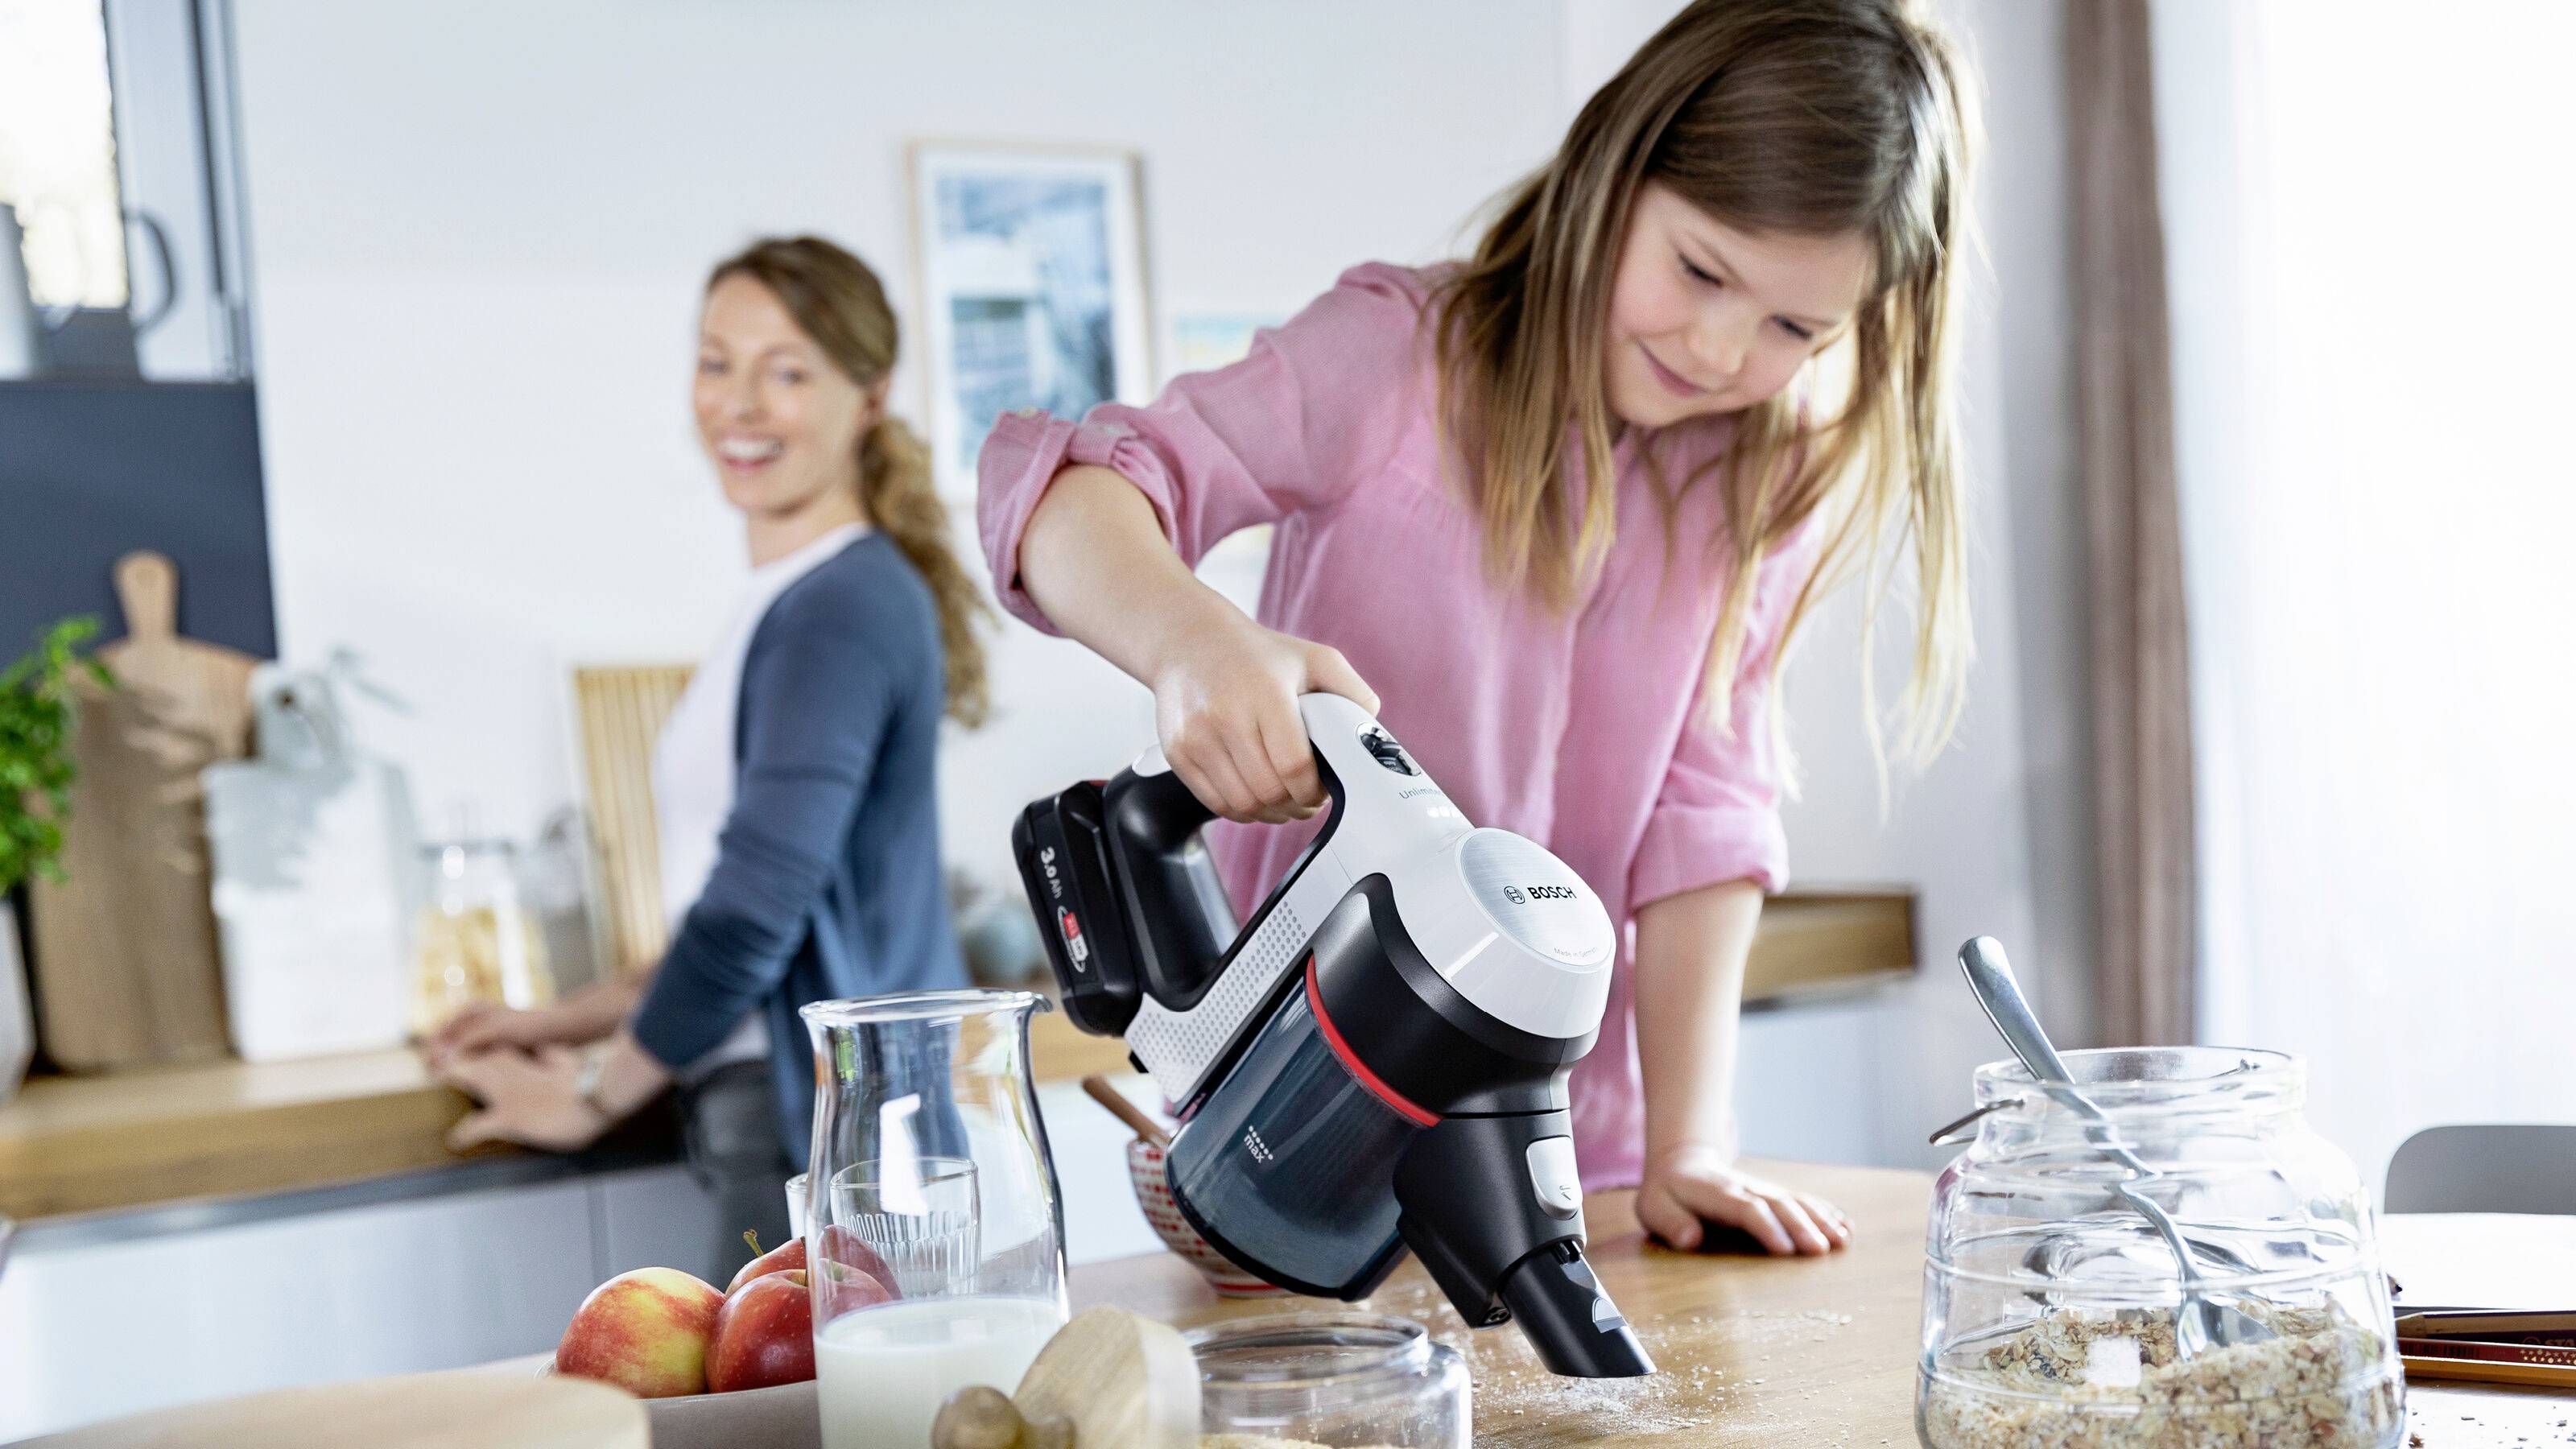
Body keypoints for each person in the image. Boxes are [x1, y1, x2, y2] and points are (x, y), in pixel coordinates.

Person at [979, 0, 1974, 1257]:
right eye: (1702, 270)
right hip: (1292, 1127)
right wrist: (1192, 642)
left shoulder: (1761, 478)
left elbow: (1705, 820)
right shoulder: (1394, 357)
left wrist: (1689, 1149)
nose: (1723, 350)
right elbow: (1065, 497)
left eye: (1797, 329)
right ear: (1613, 170)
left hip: (1572, 1164)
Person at [432, 237, 989, 1265]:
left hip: (816, 1128)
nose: (739, 404)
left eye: (787, 373)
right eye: (716, 362)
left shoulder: (839, 608)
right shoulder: (798, 599)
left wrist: (592, 1093)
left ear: (869, 396)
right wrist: (563, 1019)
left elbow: (753, 914)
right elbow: (742, 909)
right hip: (794, 1114)